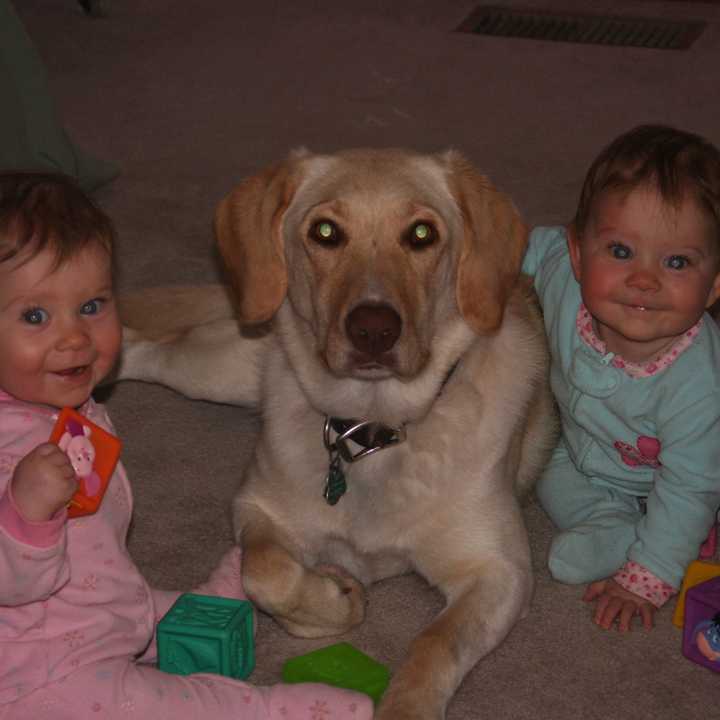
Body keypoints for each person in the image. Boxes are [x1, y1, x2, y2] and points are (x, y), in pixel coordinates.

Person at [0, 172, 374, 720]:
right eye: (36, 316)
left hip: (97, 611)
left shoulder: (58, 405)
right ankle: (267, 711)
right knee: (158, 705)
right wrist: (23, 515)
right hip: (39, 675)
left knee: (147, 608)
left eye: (92, 305)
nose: (75, 336)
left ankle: (213, 601)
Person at [521, 125, 720, 632]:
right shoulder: (560, 275)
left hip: (675, 477)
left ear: (715, 284)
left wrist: (647, 578)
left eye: (677, 261)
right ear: (577, 251)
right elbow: (517, 247)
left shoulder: (698, 385)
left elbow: (691, 484)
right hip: (577, 442)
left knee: (693, 502)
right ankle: (611, 527)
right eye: (621, 251)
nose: (644, 279)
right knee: (537, 459)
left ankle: (657, 543)